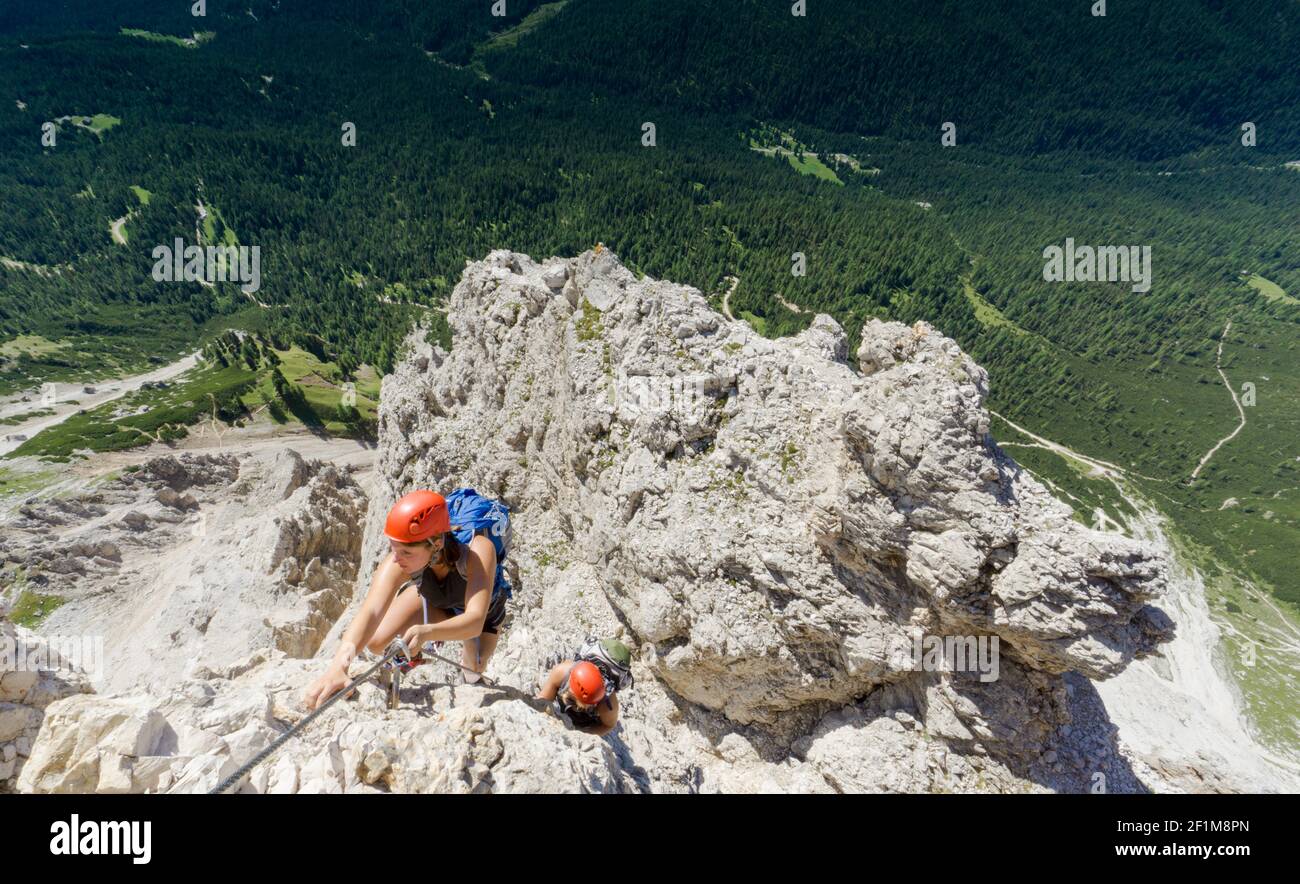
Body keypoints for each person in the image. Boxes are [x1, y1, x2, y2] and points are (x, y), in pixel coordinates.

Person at [303, 489, 509, 710]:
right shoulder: (399, 560)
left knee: (474, 667)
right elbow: (371, 611)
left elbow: (475, 620)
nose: (397, 559)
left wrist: (427, 633)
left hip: (482, 612)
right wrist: (339, 666)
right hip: (437, 598)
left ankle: (470, 675)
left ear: (437, 544)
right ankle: (425, 648)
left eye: (406, 553)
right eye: (394, 549)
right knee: (377, 641)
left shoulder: (478, 550)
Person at [536, 638, 633, 737]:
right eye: (571, 700)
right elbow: (541, 702)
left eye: (582, 708)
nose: (576, 708)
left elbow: (608, 725)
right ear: (569, 683)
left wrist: (584, 734)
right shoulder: (561, 672)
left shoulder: (607, 707)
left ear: (595, 704)